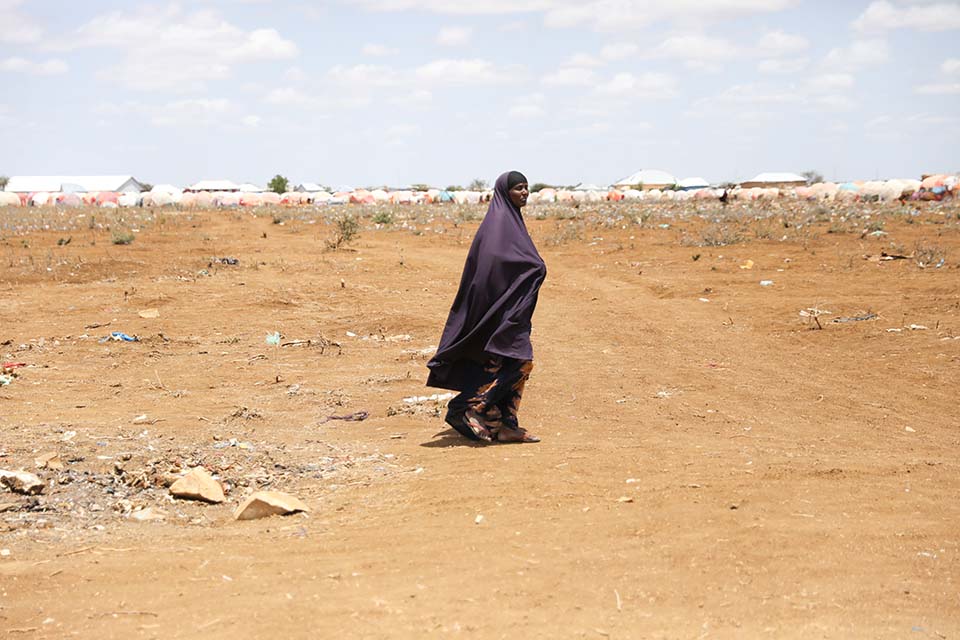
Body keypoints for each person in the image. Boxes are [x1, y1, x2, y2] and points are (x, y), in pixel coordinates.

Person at [426, 171, 545, 444]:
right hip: (498, 313)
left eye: (527, 188)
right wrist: (533, 268)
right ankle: (466, 406)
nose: (525, 193)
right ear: (505, 191)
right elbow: (491, 269)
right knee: (521, 363)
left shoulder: (512, 223)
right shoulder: (498, 225)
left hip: (510, 312)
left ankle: (505, 425)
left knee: (512, 362)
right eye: (518, 188)